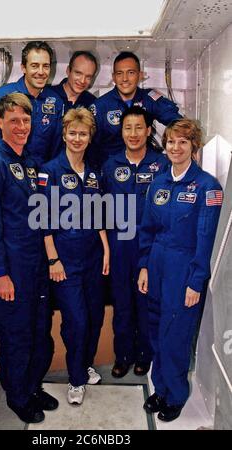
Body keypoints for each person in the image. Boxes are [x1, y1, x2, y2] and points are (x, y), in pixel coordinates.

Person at [0, 93, 58, 424]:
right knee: (15, 334)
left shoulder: (30, 164)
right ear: (1, 123)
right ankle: (17, 396)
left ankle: (33, 386)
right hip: (12, 270)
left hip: (36, 266)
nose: (21, 127)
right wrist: (0, 274)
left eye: (26, 120)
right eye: (14, 121)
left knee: (38, 330)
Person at [138, 118, 223, 422]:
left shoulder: (207, 187)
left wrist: (195, 282)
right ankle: (159, 388)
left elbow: (205, 240)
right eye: (171, 141)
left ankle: (175, 395)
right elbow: (147, 229)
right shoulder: (159, 182)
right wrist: (144, 267)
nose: (175, 147)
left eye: (183, 142)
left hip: (184, 269)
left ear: (194, 147)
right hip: (157, 264)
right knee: (156, 330)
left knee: (175, 335)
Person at [38, 107, 110, 405]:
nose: (77, 138)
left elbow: (98, 216)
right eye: (72, 133)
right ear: (64, 135)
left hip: (93, 256)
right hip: (65, 260)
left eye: (83, 133)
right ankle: (76, 379)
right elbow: (42, 220)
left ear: (90, 137)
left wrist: (106, 249)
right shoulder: (50, 171)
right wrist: (53, 260)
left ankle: (86, 364)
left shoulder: (94, 174)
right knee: (76, 321)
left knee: (93, 317)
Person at [102, 106, 168, 379]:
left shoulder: (161, 164)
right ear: (122, 131)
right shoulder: (110, 165)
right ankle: (123, 355)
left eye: (139, 127)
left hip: (150, 245)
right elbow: (101, 209)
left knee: (146, 302)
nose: (133, 133)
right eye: (128, 128)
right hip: (120, 244)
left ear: (149, 131)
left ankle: (145, 354)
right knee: (122, 303)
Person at [0, 41, 63, 178]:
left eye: (45, 66)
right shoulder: (1, 95)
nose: (41, 72)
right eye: (34, 66)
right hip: (6, 176)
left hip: (39, 179)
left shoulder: (55, 101)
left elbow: (57, 146)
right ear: (23, 67)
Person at [89, 51, 182, 166]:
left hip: (145, 167)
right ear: (114, 77)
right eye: (119, 73)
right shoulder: (100, 106)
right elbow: (89, 145)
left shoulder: (149, 99)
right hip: (112, 170)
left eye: (131, 73)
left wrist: (192, 146)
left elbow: (178, 122)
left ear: (140, 75)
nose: (125, 79)